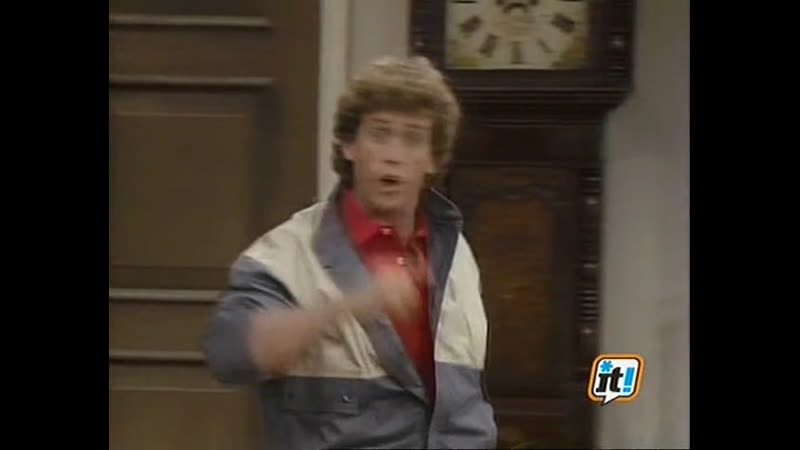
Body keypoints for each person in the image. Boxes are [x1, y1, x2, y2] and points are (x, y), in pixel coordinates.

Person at [203, 55, 497, 449]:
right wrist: (347, 307)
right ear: (349, 145)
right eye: (380, 133)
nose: (393, 155)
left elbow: (466, 402)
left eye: (413, 138)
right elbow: (230, 355)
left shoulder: (455, 250)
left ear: (432, 159)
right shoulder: (285, 256)